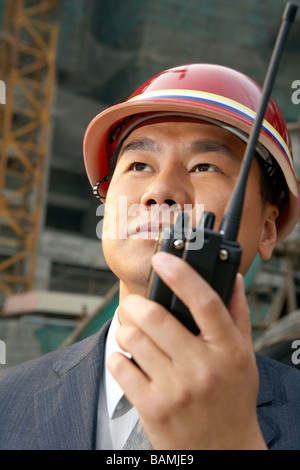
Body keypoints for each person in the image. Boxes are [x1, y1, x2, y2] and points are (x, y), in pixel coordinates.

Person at [0, 64, 299, 450]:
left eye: (204, 166)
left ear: (268, 229)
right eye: (139, 165)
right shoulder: (7, 403)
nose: (159, 191)